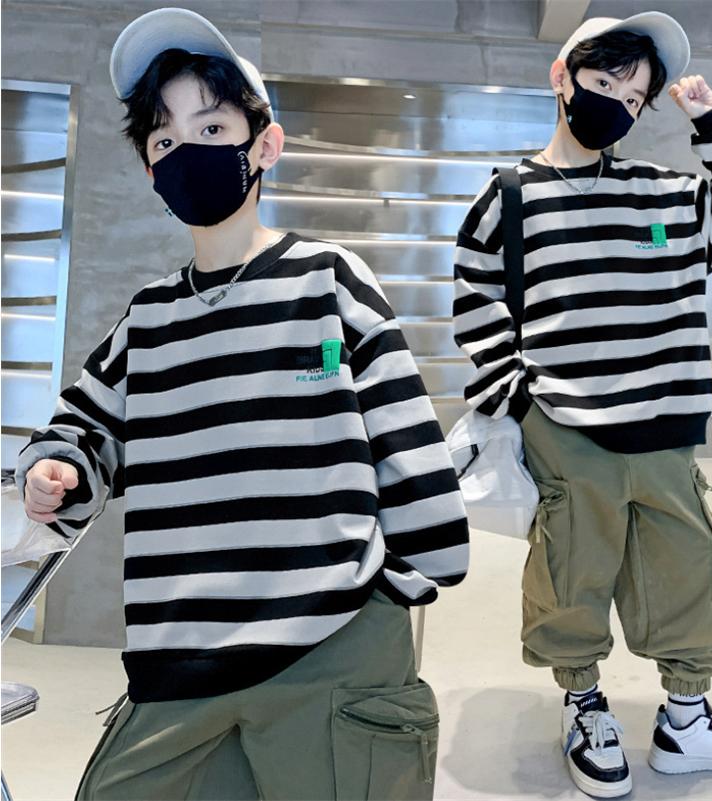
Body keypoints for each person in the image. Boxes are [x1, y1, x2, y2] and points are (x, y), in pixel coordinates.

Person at [16, 7, 469, 800]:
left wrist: (395, 584)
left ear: (265, 144)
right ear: (151, 172)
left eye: (212, 128)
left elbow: (407, 442)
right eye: (164, 141)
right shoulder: (149, 317)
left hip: (329, 645)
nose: (187, 151)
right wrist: (56, 468)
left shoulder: (329, 279)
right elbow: (82, 427)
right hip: (177, 658)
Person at [453, 11, 712, 799]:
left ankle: (685, 717)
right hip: (566, 428)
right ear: (561, 77)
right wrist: (514, 397)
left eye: (634, 99)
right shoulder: (510, 197)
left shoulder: (664, 193)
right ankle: (584, 707)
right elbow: (474, 296)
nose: (617, 106)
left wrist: (711, 121)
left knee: (683, 566)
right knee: (571, 573)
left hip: (666, 427)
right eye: (604, 84)